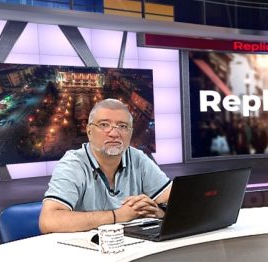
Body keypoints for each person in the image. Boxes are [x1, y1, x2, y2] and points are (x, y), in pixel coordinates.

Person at [39, 99, 172, 233]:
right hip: (86, 244)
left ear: (130, 133)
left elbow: (174, 200)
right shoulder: (73, 164)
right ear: (89, 131)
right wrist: (117, 216)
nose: (114, 133)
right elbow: (49, 221)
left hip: (132, 242)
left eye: (123, 126)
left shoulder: (138, 158)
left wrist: (159, 212)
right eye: (104, 125)